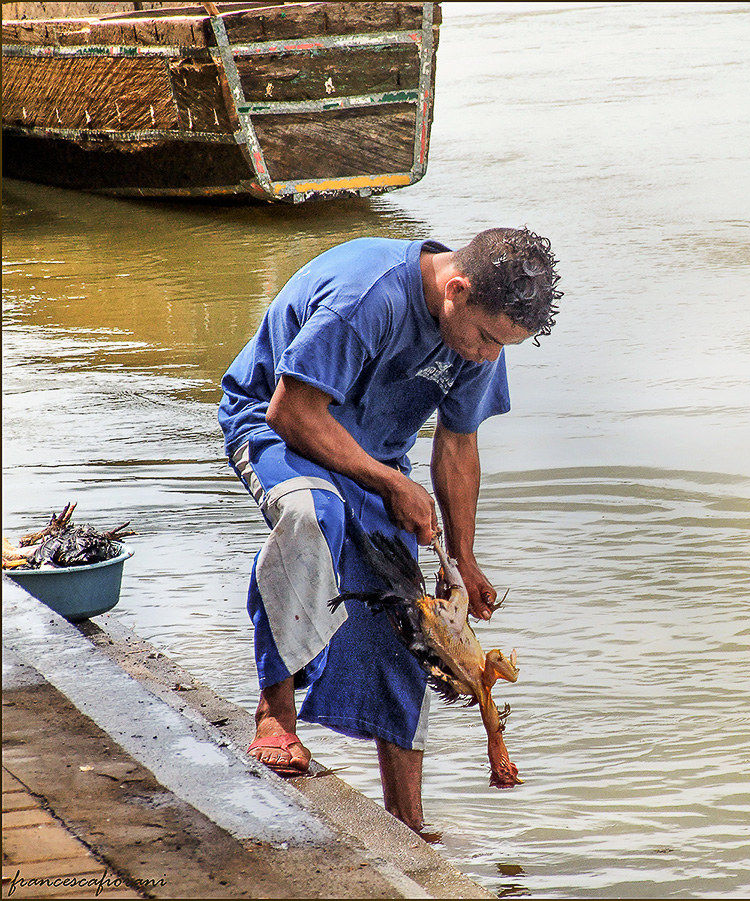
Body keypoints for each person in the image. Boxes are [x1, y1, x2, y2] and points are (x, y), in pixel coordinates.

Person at [217, 227, 561, 832]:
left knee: (409, 622)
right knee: (312, 515)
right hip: (276, 427)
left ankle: (409, 823)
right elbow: (291, 411)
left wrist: (465, 557)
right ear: (456, 288)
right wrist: (392, 484)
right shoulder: (367, 298)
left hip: (373, 456)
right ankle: (276, 711)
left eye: (502, 346)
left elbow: (458, 445)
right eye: (484, 337)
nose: (486, 355)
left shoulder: (482, 337)